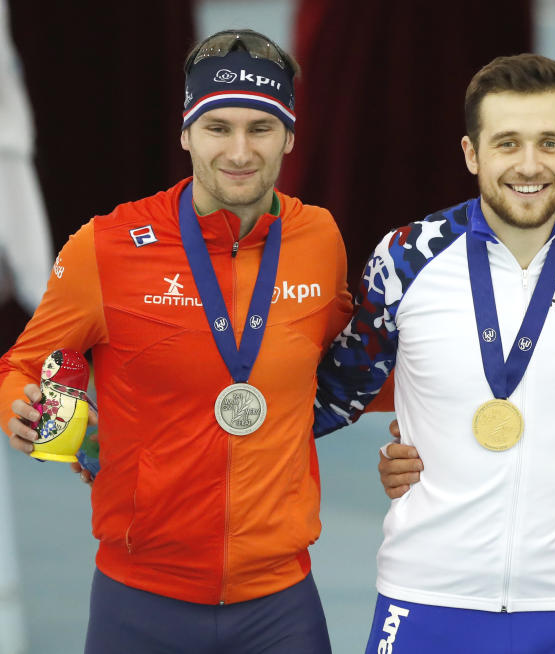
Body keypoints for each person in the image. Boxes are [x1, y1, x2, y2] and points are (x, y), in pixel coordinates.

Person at [1, 29, 351, 654]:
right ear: (186, 133)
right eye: (217, 127)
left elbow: (341, 362)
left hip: (280, 605)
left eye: (260, 128)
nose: (239, 151)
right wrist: (29, 415)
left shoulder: (319, 240)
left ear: (290, 135)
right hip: (138, 602)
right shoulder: (106, 247)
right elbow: (24, 366)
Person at [312, 53, 555, 653]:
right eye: (507, 143)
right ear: (472, 153)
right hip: (426, 599)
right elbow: (326, 397)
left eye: (550, 143)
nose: (529, 165)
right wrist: (149, 438)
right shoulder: (407, 256)